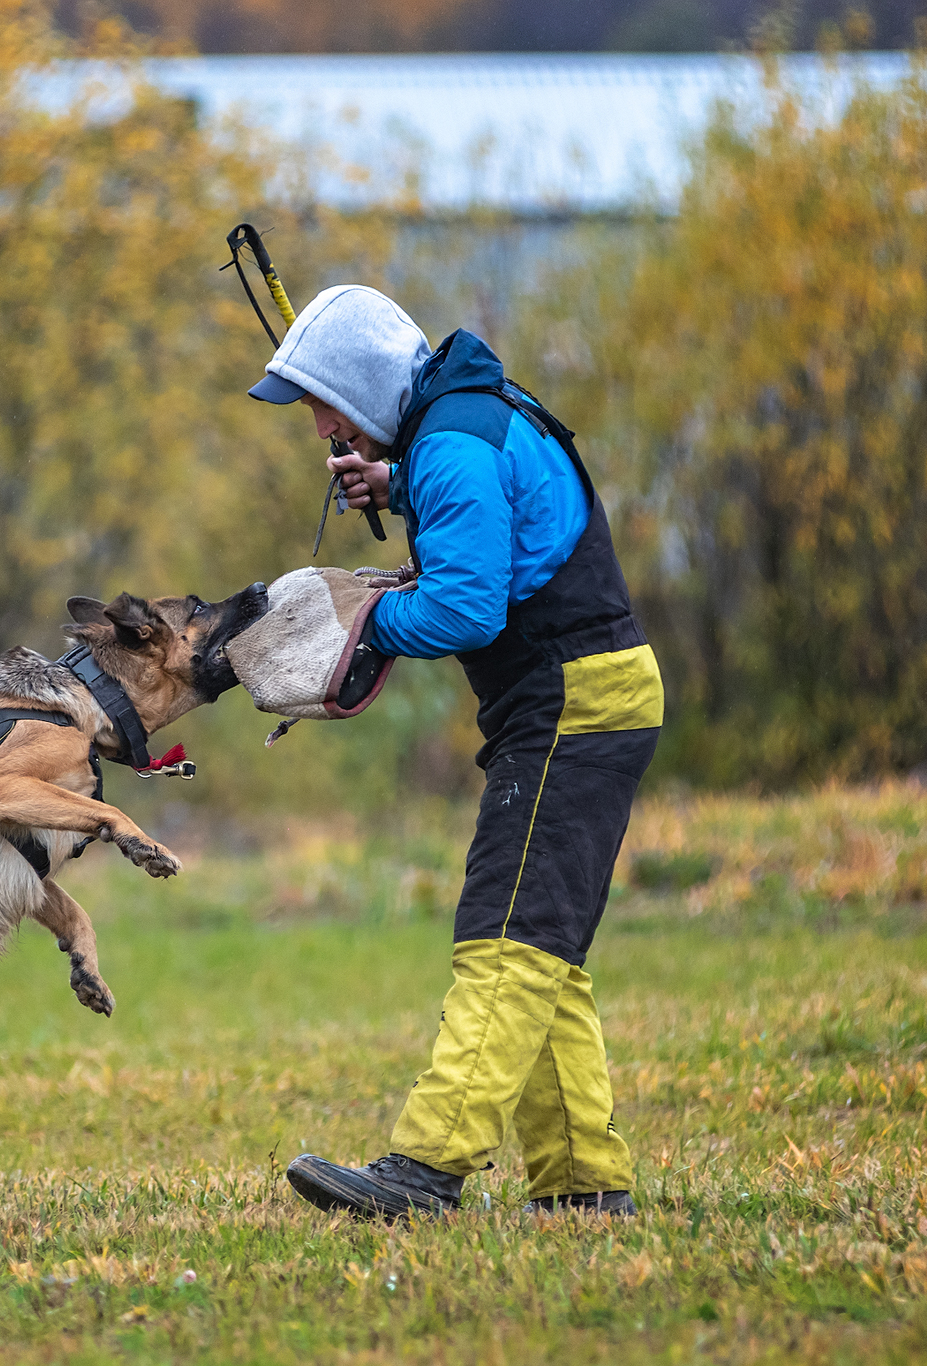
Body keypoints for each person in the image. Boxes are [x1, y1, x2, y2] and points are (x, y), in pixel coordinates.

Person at [248, 286, 663, 1220]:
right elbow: (495, 527)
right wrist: (393, 489)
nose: (320, 426)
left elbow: (466, 607)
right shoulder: (457, 427)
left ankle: (424, 1174)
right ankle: (584, 1186)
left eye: (322, 402)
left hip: (572, 703)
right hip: (582, 698)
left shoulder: (450, 446)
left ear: (362, 385)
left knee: (505, 941)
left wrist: (361, 622)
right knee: (538, 944)